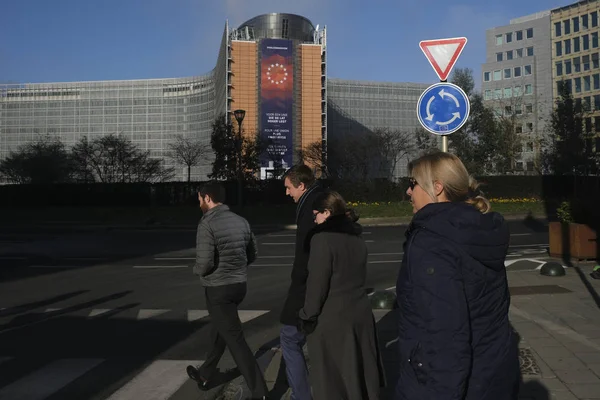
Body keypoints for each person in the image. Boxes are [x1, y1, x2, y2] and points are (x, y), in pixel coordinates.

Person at [395, 152, 519, 400]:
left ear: (437, 188)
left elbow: (444, 335)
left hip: (444, 384)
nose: (408, 192)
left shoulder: (432, 241)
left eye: (413, 183)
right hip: (493, 376)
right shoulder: (480, 228)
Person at [298, 190, 385, 400]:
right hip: (359, 316)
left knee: (331, 382)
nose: (314, 219)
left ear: (327, 213)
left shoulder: (322, 240)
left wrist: (307, 315)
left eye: (316, 214)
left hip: (331, 321)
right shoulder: (356, 238)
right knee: (357, 377)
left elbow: (317, 285)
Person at [186, 182, 268, 400]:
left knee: (236, 341)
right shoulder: (241, 221)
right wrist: (236, 268)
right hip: (239, 286)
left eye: (200, 199)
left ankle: (260, 392)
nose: (199, 203)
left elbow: (204, 263)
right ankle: (205, 374)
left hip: (218, 289)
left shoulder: (207, 223)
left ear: (207, 198)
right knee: (221, 327)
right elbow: (253, 254)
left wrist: (197, 271)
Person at [280, 164, 323, 400]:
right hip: (312, 285)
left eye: (289, 188)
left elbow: (308, 252)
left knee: (289, 337)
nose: (287, 193)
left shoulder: (310, 207)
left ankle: (301, 396)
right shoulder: (317, 199)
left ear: (301, 185)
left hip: (306, 288)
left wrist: (299, 284)